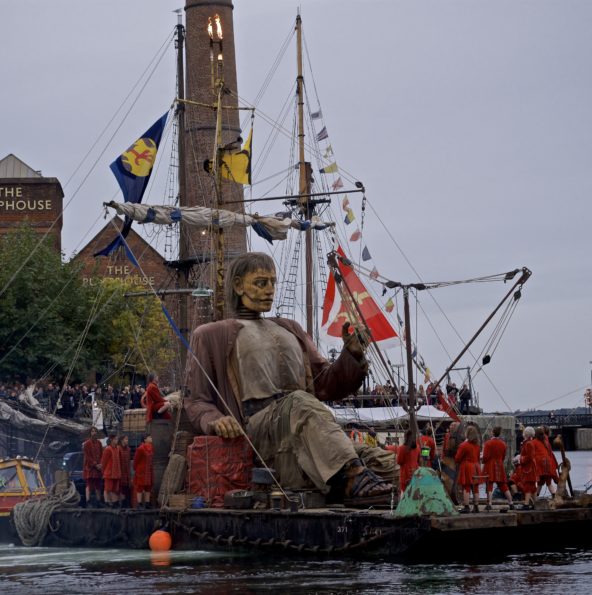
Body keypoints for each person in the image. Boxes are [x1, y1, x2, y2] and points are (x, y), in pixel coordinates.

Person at [183, 252, 393, 506]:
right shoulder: (211, 335)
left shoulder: (290, 328)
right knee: (298, 402)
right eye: (261, 283)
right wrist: (215, 420)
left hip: (304, 425)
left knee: (383, 463)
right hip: (258, 432)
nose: (269, 290)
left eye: (272, 282)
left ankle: (378, 483)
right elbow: (196, 401)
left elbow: (326, 385)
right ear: (238, 285)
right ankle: (351, 479)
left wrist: (352, 356)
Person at [482, 426, 514, 510]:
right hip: (499, 465)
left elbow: (485, 457)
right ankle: (511, 503)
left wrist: (483, 461)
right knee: (503, 485)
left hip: (490, 465)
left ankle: (489, 504)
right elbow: (503, 456)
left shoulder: (488, 443)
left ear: (492, 432)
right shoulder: (503, 444)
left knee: (489, 484)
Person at [455, 425, 482, 513]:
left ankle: (466, 506)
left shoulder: (463, 445)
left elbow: (457, 458)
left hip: (467, 466)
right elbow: (478, 457)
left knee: (466, 486)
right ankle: (476, 506)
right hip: (476, 466)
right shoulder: (477, 446)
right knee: (475, 487)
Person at [533, 426, 557, 499]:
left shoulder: (533, 442)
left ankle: (535, 498)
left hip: (540, 464)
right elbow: (550, 452)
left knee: (541, 482)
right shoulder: (546, 441)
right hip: (548, 463)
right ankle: (554, 496)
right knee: (547, 482)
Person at [82, 426, 103, 507]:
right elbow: (87, 456)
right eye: (92, 431)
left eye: (95, 431)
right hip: (89, 467)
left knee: (98, 484)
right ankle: (88, 501)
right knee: (89, 484)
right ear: (90, 433)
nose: (94, 433)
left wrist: (100, 464)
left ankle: (98, 501)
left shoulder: (99, 443)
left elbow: (102, 454)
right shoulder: (87, 443)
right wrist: (95, 464)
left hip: (98, 467)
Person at [518, 426, 537, 509]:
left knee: (528, 486)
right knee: (532, 486)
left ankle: (526, 504)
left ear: (525, 434)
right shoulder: (528, 442)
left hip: (528, 468)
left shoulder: (528, 443)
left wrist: (521, 459)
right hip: (530, 467)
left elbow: (529, 456)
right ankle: (535, 503)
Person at [396, 428, 420, 493]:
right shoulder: (417, 447)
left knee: (405, 494)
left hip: (405, 475)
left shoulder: (401, 448)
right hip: (415, 472)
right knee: (414, 493)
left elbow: (399, 461)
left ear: (405, 437)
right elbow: (418, 460)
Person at [101, 434, 121, 507]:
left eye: (117, 439)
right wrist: (103, 472)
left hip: (116, 472)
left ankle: (113, 502)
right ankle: (107, 502)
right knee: (107, 489)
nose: (117, 440)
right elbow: (103, 462)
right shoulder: (108, 449)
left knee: (114, 489)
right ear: (112, 440)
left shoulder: (117, 449)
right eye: (115, 439)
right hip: (109, 472)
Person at [133, 434, 153, 509]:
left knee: (148, 487)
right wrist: (137, 469)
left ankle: (147, 503)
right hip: (141, 471)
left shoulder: (151, 448)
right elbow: (135, 460)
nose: (151, 438)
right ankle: (139, 504)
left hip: (148, 470)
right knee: (140, 487)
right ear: (145, 439)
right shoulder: (140, 449)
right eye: (149, 437)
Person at [118, 434, 131, 508]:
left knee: (127, 488)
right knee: (121, 488)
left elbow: (129, 462)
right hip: (121, 471)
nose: (127, 441)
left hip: (127, 471)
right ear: (122, 440)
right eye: (126, 439)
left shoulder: (128, 449)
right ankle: (122, 504)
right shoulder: (119, 449)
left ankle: (126, 504)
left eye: (127, 439)